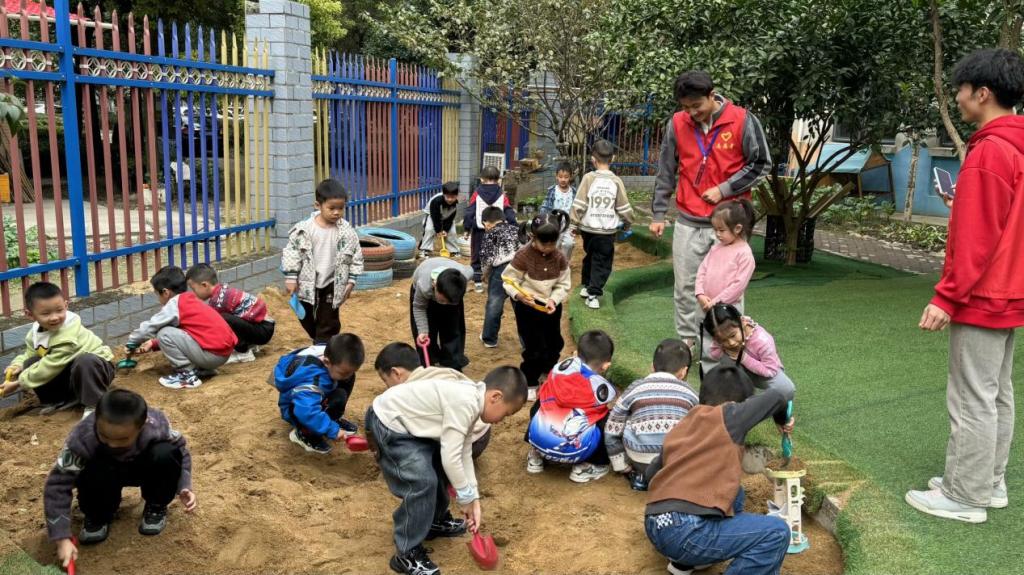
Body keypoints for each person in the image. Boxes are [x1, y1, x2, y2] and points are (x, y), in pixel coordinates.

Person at [906, 48, 1024, 524]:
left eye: (961, 90)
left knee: (973, 396)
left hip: (984, 293)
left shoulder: (989, 150)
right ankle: (988, 482)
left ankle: (965, 495)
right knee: (996, 392)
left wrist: (947, 296)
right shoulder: (1015, 145)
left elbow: (977, 237)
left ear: (983, 93)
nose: (956, 98)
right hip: (1010, 290)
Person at [649, 70, 771, 353]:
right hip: (689, 220)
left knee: (729, 288)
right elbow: (666, 169)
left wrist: (724, 189)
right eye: (686, 107)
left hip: (730, 224)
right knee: (685, 287)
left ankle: (729, 341)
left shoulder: (742, 120)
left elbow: (761, 164)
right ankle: (687, 341)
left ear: (712, 95)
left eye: (697, 106)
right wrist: (658, 213)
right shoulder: (677, 124)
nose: (692, 113)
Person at [365, 365, 528, 575]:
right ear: (495, 397)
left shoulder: (473, 402)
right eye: (506, 414)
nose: (501, 421)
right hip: (389, 424)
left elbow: (464, 451)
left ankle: (434, 520)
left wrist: (473, 497)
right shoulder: (465, 402)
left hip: (410, 426)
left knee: (439, 468)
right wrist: (464, 496)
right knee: (422, 482)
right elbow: (451, 457)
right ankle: (406, 553)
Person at [644, 364, 791, 575]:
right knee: (776, 532)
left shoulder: (684, 424)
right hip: (686, 533)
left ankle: (683, 563)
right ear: (736, 404)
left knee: (735, 492)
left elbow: (650, 474)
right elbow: (778, 395)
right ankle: (689, 554)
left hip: (655, 525)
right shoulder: (730, 415)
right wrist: (783, 420)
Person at [44, 389, 195, 569]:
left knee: (165, 452)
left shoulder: (156, 426)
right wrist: (61, 538)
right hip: (101, 473)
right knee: (89, 463)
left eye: (122, 439)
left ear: (142, 427)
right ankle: (97, 514)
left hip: (142, 467)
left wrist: (184, 485)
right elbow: (57, 486)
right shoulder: (82, 438)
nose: (112, 444)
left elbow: (181, 451)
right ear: (96, 420)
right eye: (104, 436)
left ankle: (156, 505)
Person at [1, 282, 114, 418]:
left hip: (97, 369)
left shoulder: (68, 332)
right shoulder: (35, 333)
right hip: (69, 370)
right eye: (46, 313)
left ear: (66, 306)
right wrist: (17, 365)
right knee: (31, 362)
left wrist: (19, 383)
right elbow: (30, 353)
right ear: (30, 314)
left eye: (59, 310)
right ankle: (57, 401)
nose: (54, 317)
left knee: (85, 361)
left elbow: (53, 364)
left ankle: (94, 405)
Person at [525, 330, 617, 483]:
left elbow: (543, 392)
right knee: (607, 417)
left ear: (576, 353)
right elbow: (601, 407)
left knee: (543, 401)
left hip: (541, 443)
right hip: (574, 452)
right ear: (606, 365)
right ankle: (590, 465)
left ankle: (536, 455)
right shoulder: (600, 388)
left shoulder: (559, 369)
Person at [605, 339, 697, 490]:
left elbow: (611, 428)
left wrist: (621, 466)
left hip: (640, 461)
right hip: (678, 464)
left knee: (624, 418)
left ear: (652, 366)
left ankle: (640, 476)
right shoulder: (691, 393)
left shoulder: (636, 387)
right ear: (684, 371)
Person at [374, 342, 492, 459]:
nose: (387, 387)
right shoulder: (440, 372)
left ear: (396, 373)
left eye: (385, 380)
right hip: (484, 432)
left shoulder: (410, 395)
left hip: (467, 445)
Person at [125, 266, 237, 390]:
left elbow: (150, 327)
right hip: (222, 354)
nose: (158, 299)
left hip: (212, 356)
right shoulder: (189, 300)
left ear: (166, 292)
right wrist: (153, 343)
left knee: (164, 333)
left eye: (157, 294)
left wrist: (132, 341)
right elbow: (188, 333)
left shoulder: (175, 304)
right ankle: (201, 369)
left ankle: (187, 376)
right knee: (168, 332)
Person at [281, 178, 364, 343]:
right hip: (306, 283)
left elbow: (357, 256)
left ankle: (324, 345)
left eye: (341, 208)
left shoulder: (347, 232)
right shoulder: (304, 230)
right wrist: (291, 277)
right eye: (331, 208)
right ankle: (319, 339)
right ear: (318, 205)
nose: (337, 213)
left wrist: (351, 281)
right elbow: (292, 252)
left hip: (332, 283)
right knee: (306, 317)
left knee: (328, 322)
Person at [502, 212, 572, 398]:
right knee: (534, 347)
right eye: (544, 243)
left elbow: (563, 284)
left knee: (554, 343)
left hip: (550, 306)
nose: (548, 248)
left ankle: (547, 371)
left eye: (552, 243)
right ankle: (530, 380)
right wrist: (519, 296)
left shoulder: (560, 257)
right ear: (533, 237)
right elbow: (508, 280)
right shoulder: (523, 256)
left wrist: (554, 299)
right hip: (528, 306)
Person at [273, 333, 365, 454]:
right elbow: (306, 411)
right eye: (343, 372)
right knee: (337, 397)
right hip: (297, 409)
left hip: (310, 397)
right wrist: (333, 430)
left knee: (345, 384)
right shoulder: (312, 382)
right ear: (326, 362)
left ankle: (331, 418)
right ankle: (304, 433)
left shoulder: (330, 353)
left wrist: (344, 375)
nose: (347, 376)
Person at [570, 139, 635, 310]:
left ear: (593, 159)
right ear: (613, 158)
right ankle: (593, 294)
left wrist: (573, 224)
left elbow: (579, 203)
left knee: (591, 255)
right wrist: (628, 222)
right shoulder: (616, 181)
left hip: (588, 229)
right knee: (603, 261)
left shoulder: (588, 178)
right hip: (606, 231)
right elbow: (623, 206)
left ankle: (586, 285)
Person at [695, 199, 756, 372]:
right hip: (705, 304)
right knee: (706, 342)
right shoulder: (716, 248)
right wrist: (700, 293)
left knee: (729, 342)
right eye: (715, 230)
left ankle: (730, 376)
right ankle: (709, 376)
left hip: (728, 308)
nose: (717, 235)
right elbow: (702, 270)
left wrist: (716, 302)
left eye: (721, 230)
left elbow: (738, 286)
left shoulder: (744, 254)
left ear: (737, 228)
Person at [185, 263, 275, 364]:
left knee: (223, 319)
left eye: (194, 289)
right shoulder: (222, 290)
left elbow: (210, 325)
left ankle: (243, 352)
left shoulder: (218, 302)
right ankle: (250, 345)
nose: (194, 293)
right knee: (227, 319)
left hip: (263, 331)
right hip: (263, 326)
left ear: (205, 285)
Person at [704, 304, 796, 401]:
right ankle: (738, 399)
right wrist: (720, 343)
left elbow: (770, 371)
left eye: (733, 335)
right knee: (725, 359)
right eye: (722, 340)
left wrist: (743, 357)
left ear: (742, 323)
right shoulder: (725, 338)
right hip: (741, 373)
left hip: (765, 372)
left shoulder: (762, 340)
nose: (731, 343)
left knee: (786, 389)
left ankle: (763, 403)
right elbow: (715, 354)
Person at [410, 257, 475, 370]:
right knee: (426, 332)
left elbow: (472, 269)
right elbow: (419, 308)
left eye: (448, 302)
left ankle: (452, 361)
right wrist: (423, 331)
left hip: (449, 292)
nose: (444, 305)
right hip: (425, 296)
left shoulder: (464, 275)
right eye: (442, 301)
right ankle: (429, 362)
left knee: (453, 328)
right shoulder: (424, 286)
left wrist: (450, 302)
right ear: (435, 285)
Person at [464, 165, 517, 293]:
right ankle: (494, 280)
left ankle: (478, 282)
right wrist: (514, 226)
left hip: (480, 230)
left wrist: (467, 228)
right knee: (497, 253)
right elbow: (508, 210)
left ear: (482, 179)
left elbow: (469, 211)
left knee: (477, 254)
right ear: (498, 179)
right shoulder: (501, 194)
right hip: (498, 231)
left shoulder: (477, 193)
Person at [479, 206, 522, 348]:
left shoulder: (490, 233)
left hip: (501, 271)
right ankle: (527, 342)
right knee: (522, 306)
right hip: (521, 269)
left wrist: (485, 274)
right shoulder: (516, 229)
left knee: (494, 304)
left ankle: (489, 338)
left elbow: (487, 259)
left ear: (486, 223)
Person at [540, 161, 578, 260]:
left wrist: (576, 225)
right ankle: (552, 263)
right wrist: (543, 222)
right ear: (556, 176)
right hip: (554, 225)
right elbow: (545, 207)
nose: (563, 179)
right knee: (554, 245)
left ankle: (564, 262)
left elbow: (576, 209)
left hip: (568, 225)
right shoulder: (552, 190)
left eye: (566, 177)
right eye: (560, 177)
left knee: (569, 244)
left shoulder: (574, 192)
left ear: (570, 177)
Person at [419, 181, 462, 258]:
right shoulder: (436, 201)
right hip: (432, 215)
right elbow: (435, 217)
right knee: (429, 229)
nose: (450, 199)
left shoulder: (455, 204)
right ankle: (425, 249)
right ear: (443, 194)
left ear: (456, 196)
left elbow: (450, 219)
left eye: (453, 197)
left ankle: (454, 251)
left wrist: (445, 230)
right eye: (448, 197)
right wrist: (438, 231)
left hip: (446, 215)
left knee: (452, 232)